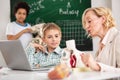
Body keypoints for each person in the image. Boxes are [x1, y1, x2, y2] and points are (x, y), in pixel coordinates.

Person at [81, 7, 120, 72]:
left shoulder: (118, 38)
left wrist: (97, 66)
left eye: (89, 21)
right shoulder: (101, 44)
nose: (86, 26)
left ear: (103, 19)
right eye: (85, 23)